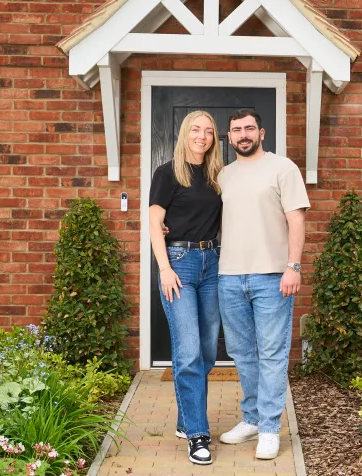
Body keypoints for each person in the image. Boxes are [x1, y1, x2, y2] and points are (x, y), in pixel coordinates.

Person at [216, 108, 309, 460]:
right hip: (229, 277)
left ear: (262, 133)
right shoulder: (223, 175)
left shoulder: (283, 168)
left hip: (273, 276)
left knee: (272, 354)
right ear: (230, 136)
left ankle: (270, 428)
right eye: (236, 130)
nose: (243, 134)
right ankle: (252, 418)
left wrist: (293, 266)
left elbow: (296, 220)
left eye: (249, 128)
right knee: (242, 353)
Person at [148, 110, 223, 466]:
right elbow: (154, 222)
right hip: (178, 264)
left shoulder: (217, 176)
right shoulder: (166, 172)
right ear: (184, 133)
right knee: (189, 349)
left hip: (213, 264)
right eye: (196, 129)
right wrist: (164, 268)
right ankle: (197, 433)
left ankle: (184, 419)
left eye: (208, 131)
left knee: (207, 352)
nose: (202, 136)